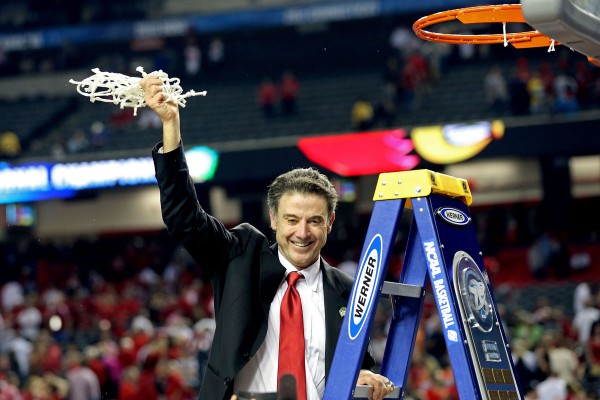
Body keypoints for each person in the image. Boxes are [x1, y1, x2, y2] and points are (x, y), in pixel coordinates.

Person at [140, 75, 395, 400]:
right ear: (273, 219)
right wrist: (171, 126)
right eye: (292, 220)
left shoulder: (348, 290)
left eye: (314, 221)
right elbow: (185, 219)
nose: (302, 232)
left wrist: (365, 376)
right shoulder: (241, 256)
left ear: (330, 223)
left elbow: (358, 365)